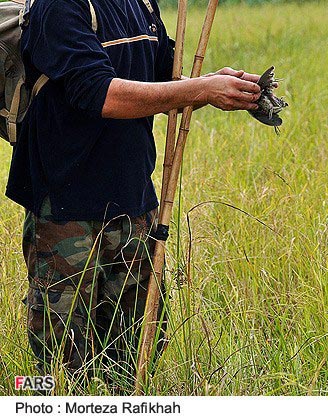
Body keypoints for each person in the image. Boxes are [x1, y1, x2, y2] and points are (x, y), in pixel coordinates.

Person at [5, 0, 262, 392]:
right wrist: (203, 88)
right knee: (62, 362)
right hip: (65, 209)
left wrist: (218, 82)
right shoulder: (59, 6)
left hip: (135, 201)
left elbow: (163, 71)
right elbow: (100, 94)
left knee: (135, 351)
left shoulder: (138, 2)